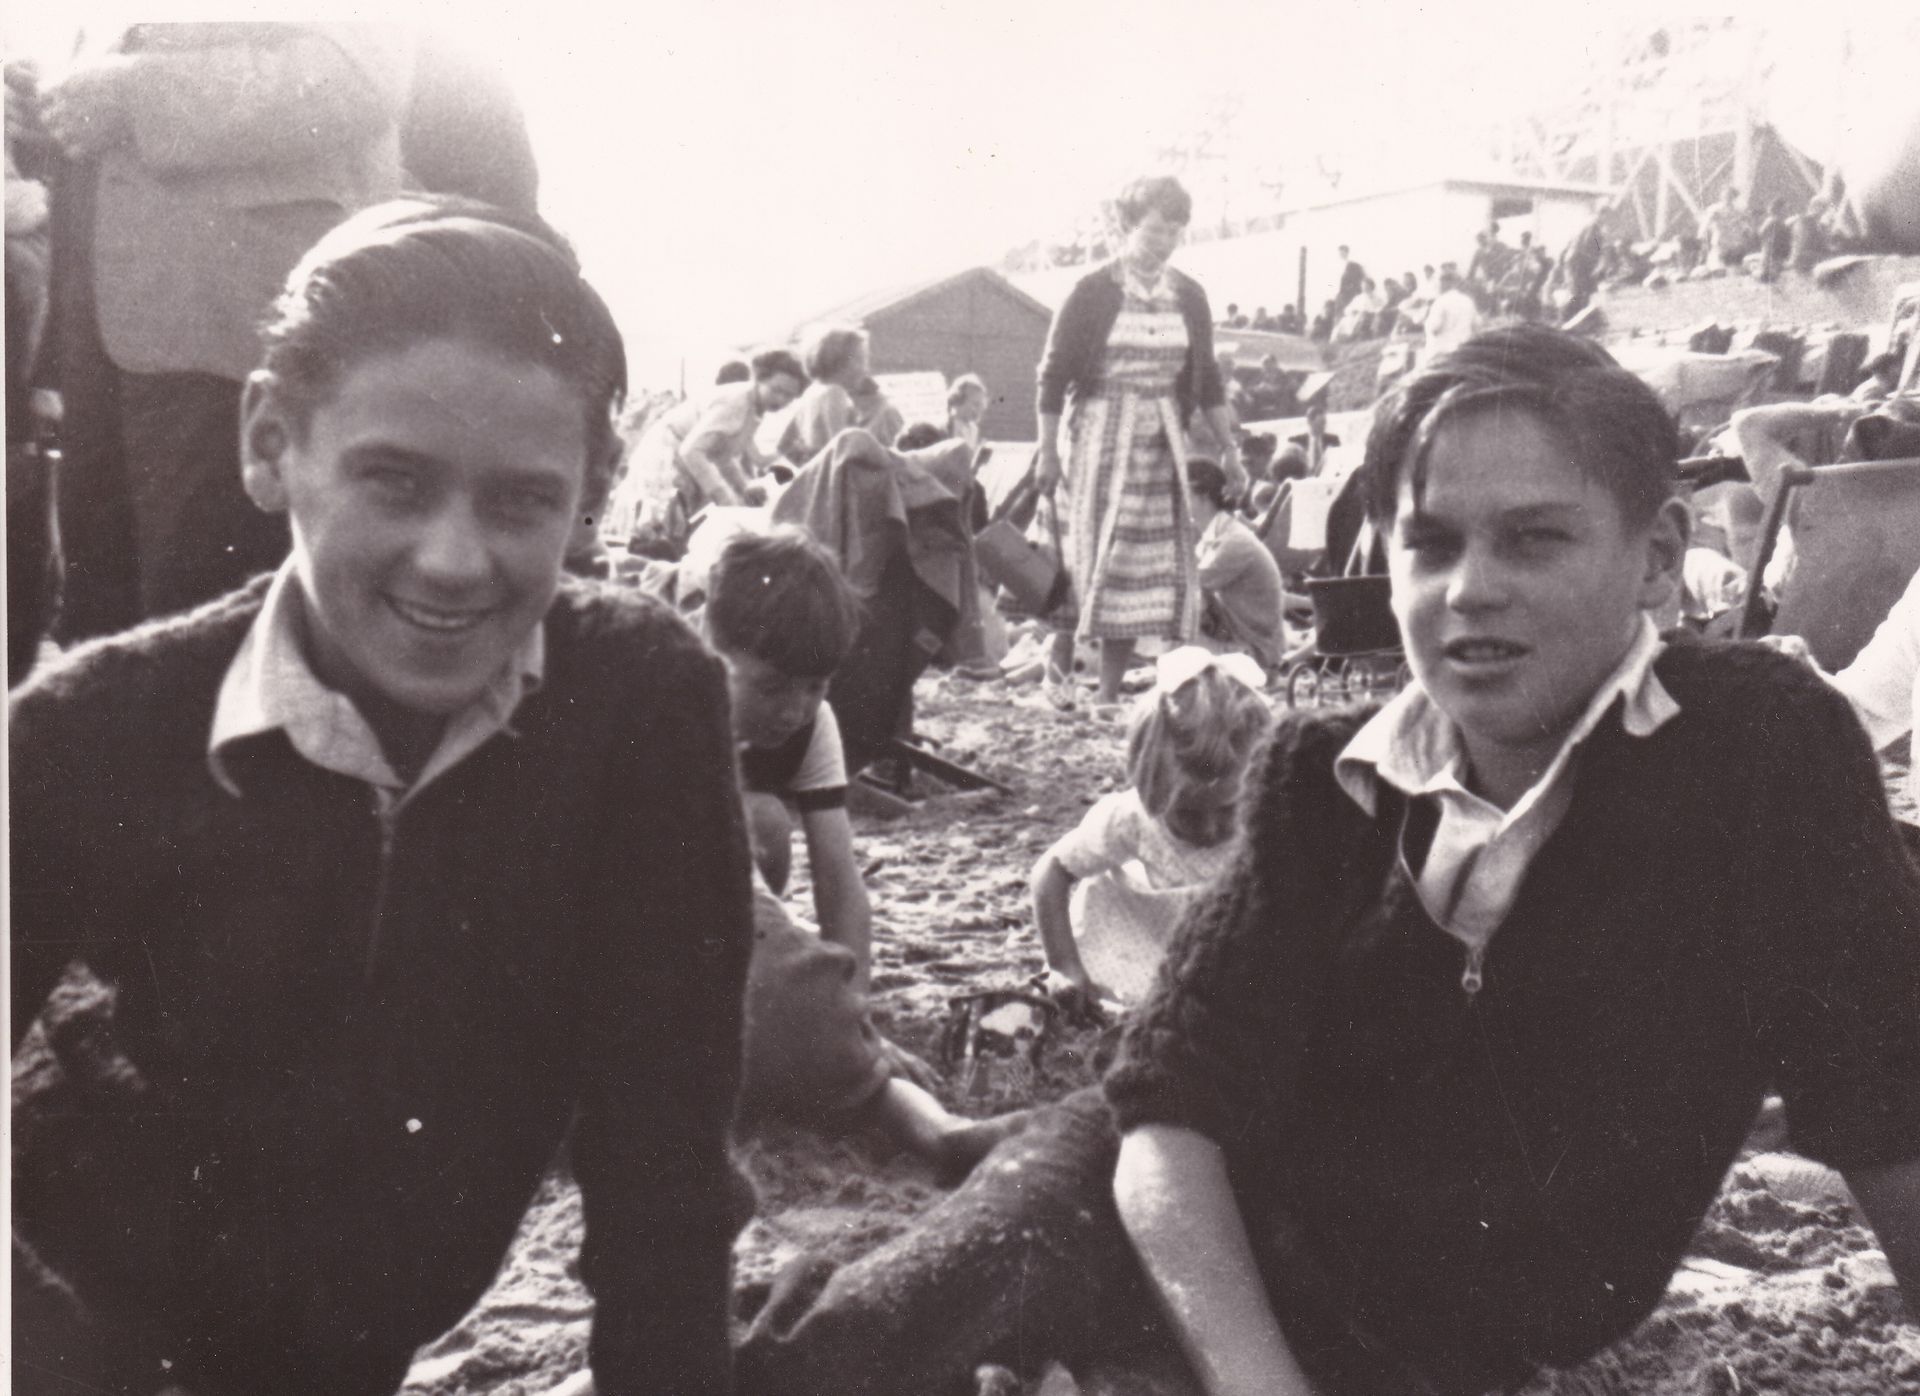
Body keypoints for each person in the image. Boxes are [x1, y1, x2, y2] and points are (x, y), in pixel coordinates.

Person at [733, 324, 1920, 1396]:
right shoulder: (1325, 776)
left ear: (1657, 553)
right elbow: (1164, 1120)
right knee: (839, 1358)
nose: (1471, 589)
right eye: (1432, 542)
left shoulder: (1765, 757)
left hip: (1430, 1346)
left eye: (1534, 537)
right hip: (1162, 1230)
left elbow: (1890, 1110)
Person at [11, 198, 756, 1396]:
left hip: (370, 1324)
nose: (455, 560)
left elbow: (662, 1164)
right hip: (88, 1307)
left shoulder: (640, 701)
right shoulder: (92, 729)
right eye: (395, 482)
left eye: (521, 502)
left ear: (589, 493)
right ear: (270, 441)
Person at [38, 22, 409, 638]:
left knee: (203, 624)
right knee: (102, 623)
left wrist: (135, 94)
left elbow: (360, 77)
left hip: (228, 326)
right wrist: (58, 104)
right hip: (106, 318)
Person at [698, 526, 1027, 1175]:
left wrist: (856, 1011)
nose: (795, 708)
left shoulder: (810, 724)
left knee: (764, 830)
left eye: (815, 686)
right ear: (711, 644)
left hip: (717, 895)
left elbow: (838, 879)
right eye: (771, 687)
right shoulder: (666, 699)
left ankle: (934, 1128)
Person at [1033, 174, 1247, 713]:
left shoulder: (1188, 296)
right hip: (1098, 436)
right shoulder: (1093, 290)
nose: (1164, 241)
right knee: (1085, 555)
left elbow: (1208, 383)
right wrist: (1049, 453)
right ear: (1128, 225)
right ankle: (1056, 680)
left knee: (1133, 563)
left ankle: (1105, 693)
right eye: (1154, 229)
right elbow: (1053, 376)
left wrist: (1231, 452)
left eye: (1174, 231)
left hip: (1160, 440)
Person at [1032, 648, 1271, 1014]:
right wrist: (1065, 967)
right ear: (1152, 790)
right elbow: (1050, 873)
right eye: (1188, 815)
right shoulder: (1130, 817)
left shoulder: (1270, 813)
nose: (1209, 830)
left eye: (1227, 810)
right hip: (1154, 949)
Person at [604, 346, 805, 556]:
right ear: (759, 379)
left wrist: (743, 487)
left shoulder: (753, 408)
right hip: (666, 457)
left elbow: (721, 453)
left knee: (678, 529)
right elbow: (691, 450)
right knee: (658, 526)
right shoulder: (736, 401)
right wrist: (722, 494)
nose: (781, 400)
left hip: (682, 457)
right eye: (776, 390)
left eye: (789, 395)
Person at [1190, 455, 1285, 668]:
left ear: (1202, 495)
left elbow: (1187, 586)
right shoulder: (1219, 534)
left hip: (1255, 653)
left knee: (1179, 609)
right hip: (1247, 642)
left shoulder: (1233, 542)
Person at [783, 324, 870, 463]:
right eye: (860, 360)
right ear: (838, 361)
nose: (865, 369)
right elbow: (842, 450)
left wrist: (810, 468)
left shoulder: (811, 393)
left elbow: (784, 446)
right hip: (836, 481)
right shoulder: (835, 393)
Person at [1423, 266, 1480, 361]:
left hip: (1442, 355)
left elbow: (1434, 329)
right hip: (1463, 353)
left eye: (1439, 282)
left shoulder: (1440, 302)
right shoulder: (1468, 301)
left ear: (1443, 283)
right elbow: (1477, 325)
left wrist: (1425, 322)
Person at [851, 375, 905, 448]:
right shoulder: (856, 415)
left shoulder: (888, 412)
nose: (854, 402)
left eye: (855, 396)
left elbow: (899, 443)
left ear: (869, 396)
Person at [945, 371, 989, 453]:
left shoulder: (973, 429)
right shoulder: (945, 427)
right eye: (976, 404)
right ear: (958, 400)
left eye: (982, 405)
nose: (980, 410)